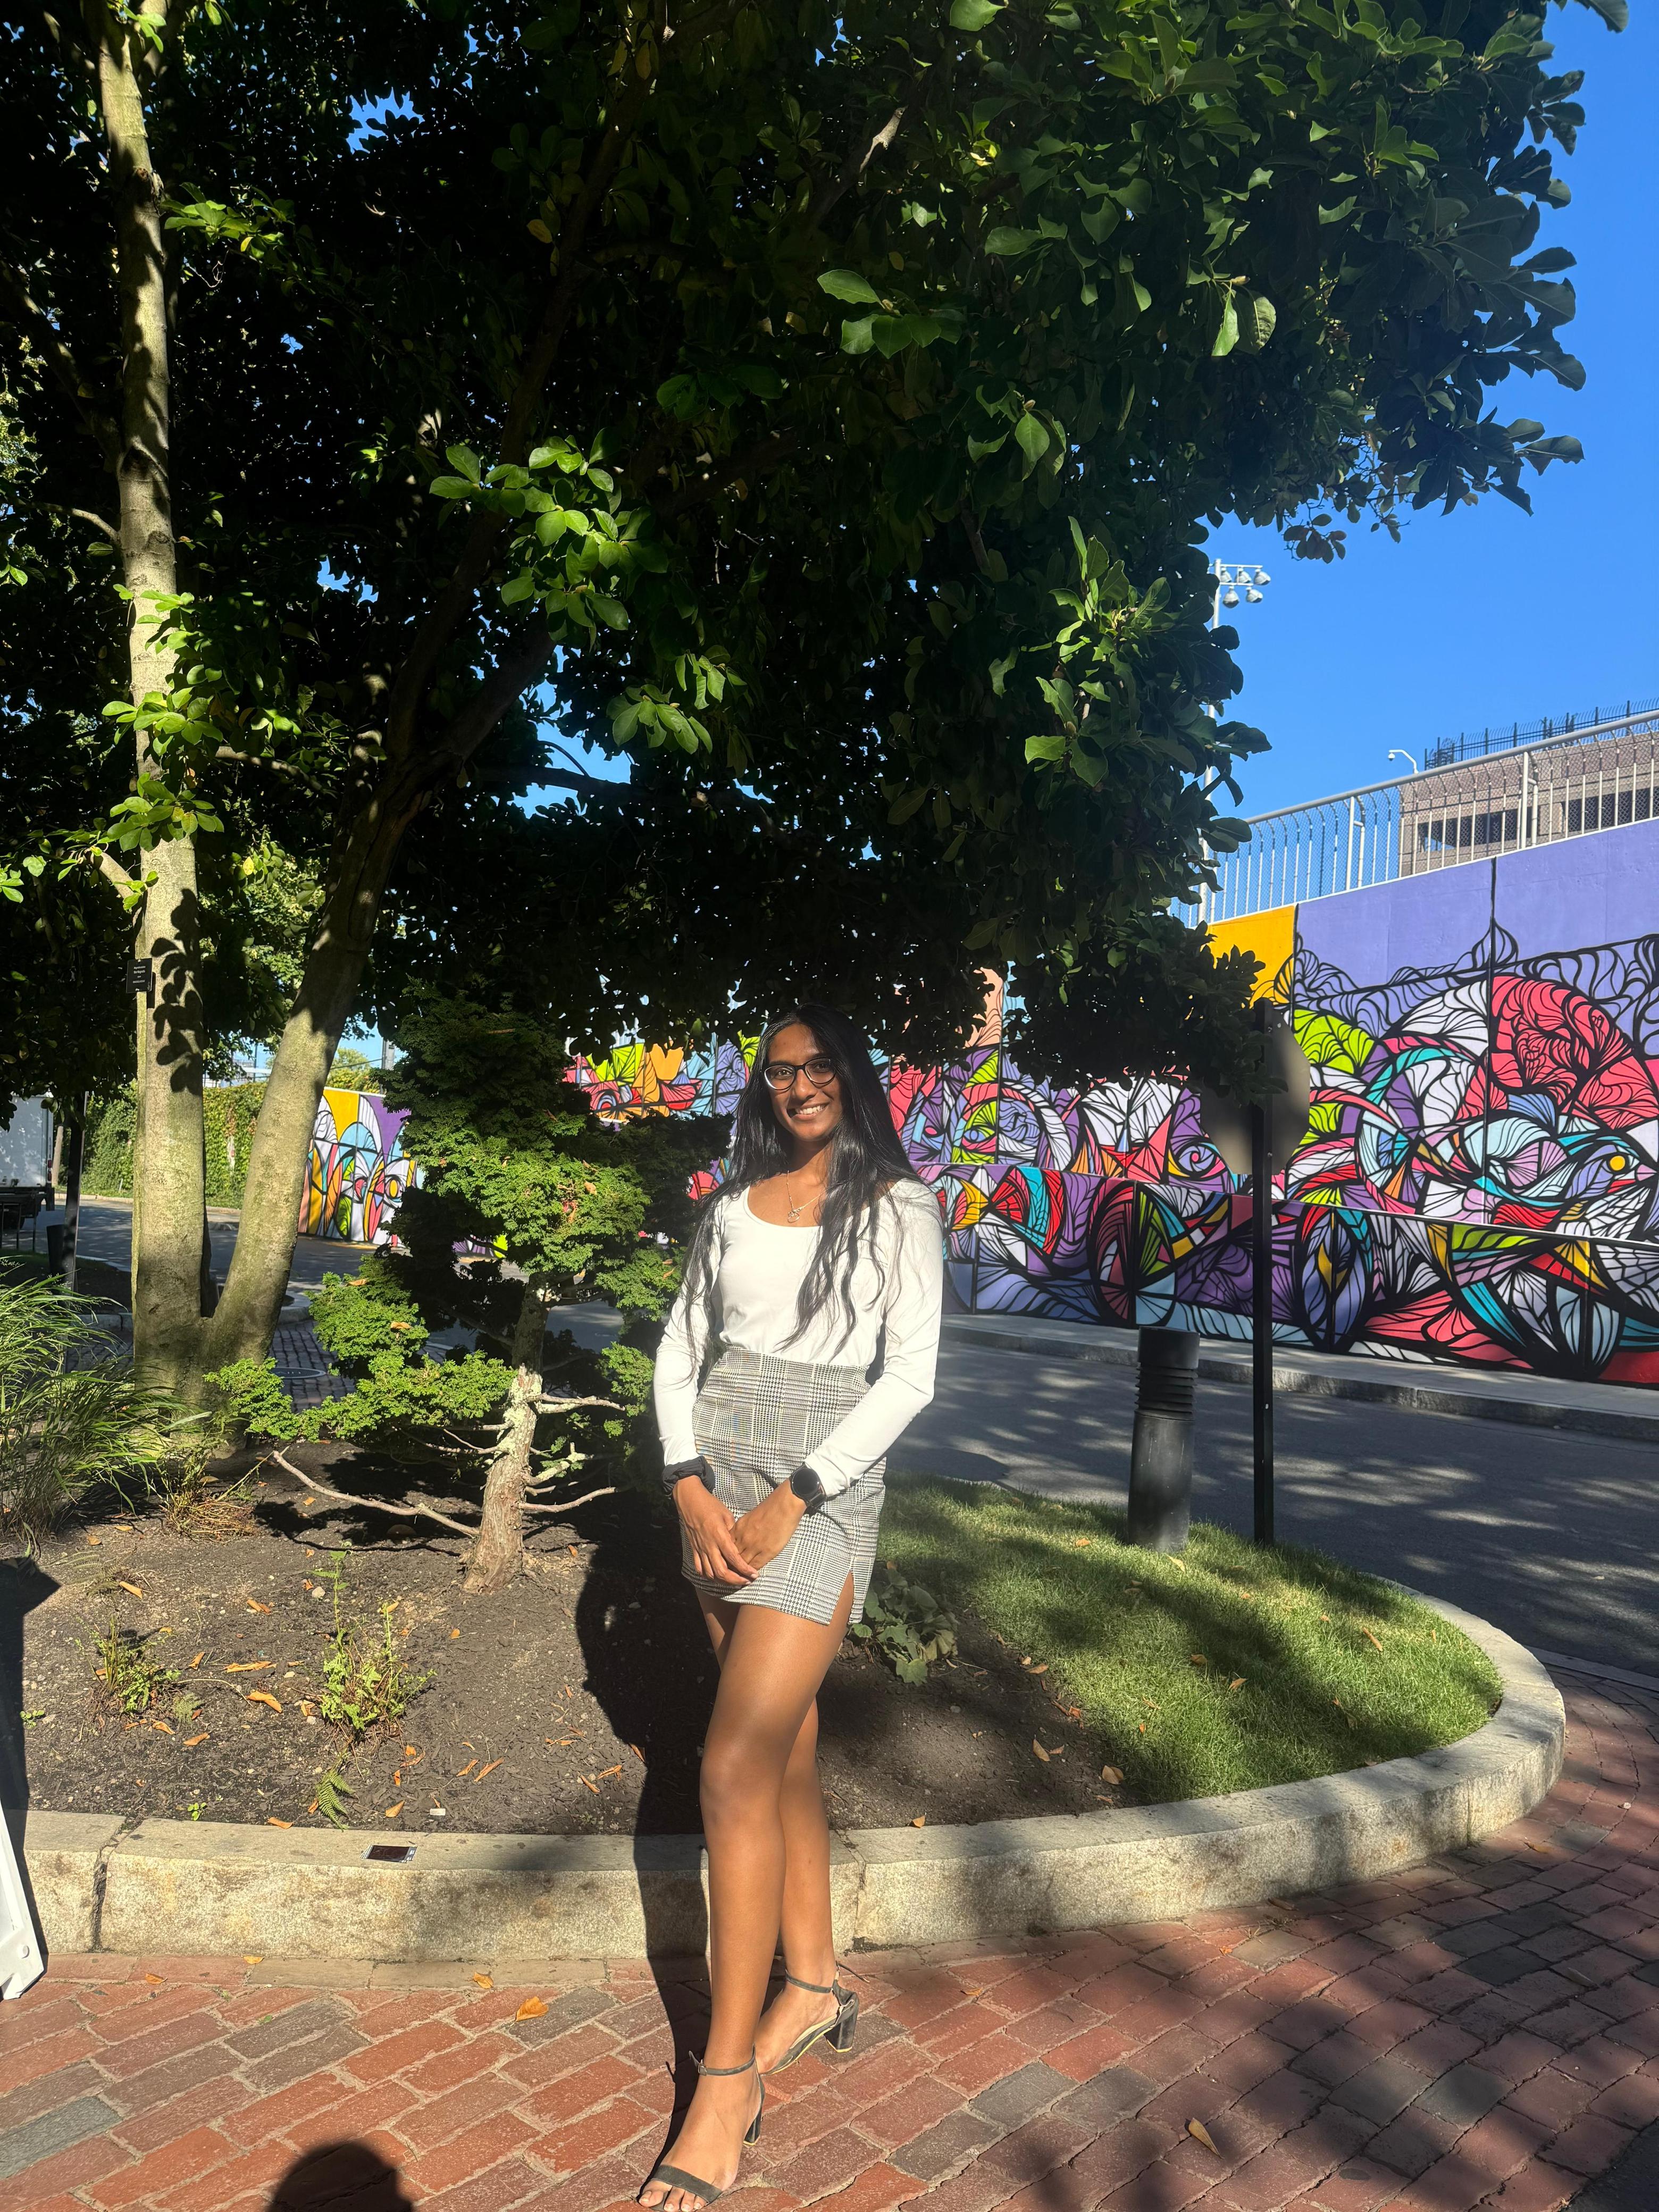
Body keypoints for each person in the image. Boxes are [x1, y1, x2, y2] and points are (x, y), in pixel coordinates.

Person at [639, 1004, 944, 2212]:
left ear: (851, 1079)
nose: (800, 1085)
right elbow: (681, 1350)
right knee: (787, 1754)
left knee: (731, 1766)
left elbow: (910, 1378)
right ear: (762, 1087)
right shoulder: (728, 1209)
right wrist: (684, 1482)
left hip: (820, 1495)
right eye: (780, 1072)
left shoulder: (900, 1210)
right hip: (717, 1484)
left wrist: (797, 1495)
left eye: (820, 1068)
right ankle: (811, 1983)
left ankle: (724, 2084)